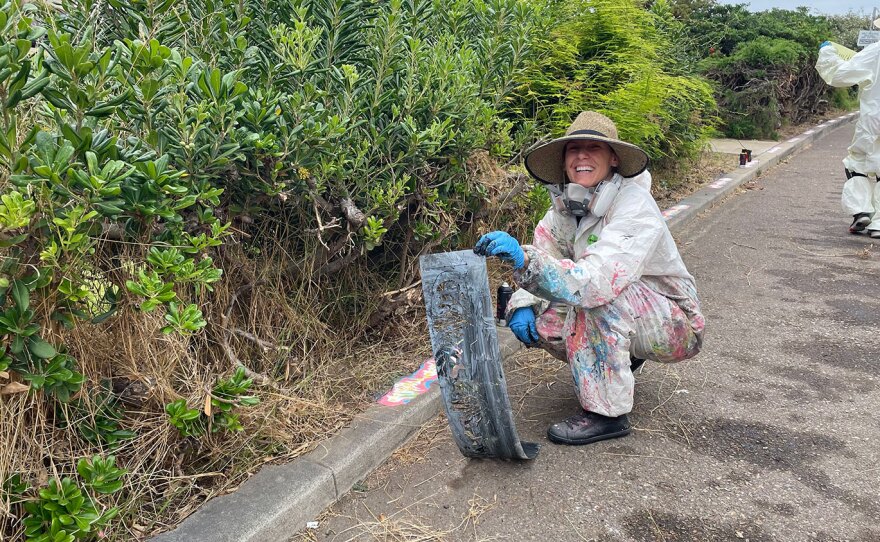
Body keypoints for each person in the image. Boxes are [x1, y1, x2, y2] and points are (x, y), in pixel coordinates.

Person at [473, 111, 705, 446]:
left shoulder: (634, 205)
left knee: (597, 301)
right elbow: (546, 253)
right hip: (632, 312)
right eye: (573, 149)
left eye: (592, 147)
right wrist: (523, 303)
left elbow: (597, 282)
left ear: (613, 158)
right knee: (544, 321)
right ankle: (620, 358)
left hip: (676, 323)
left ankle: (607, 415)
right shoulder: (565, 211)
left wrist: (525, 260)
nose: (581, 155)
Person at [816, 40, 880, 238]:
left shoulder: (876, 50)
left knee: (857, 163)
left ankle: (862, 210)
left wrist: (827, 52)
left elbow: (840, 74)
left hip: (874, 120)